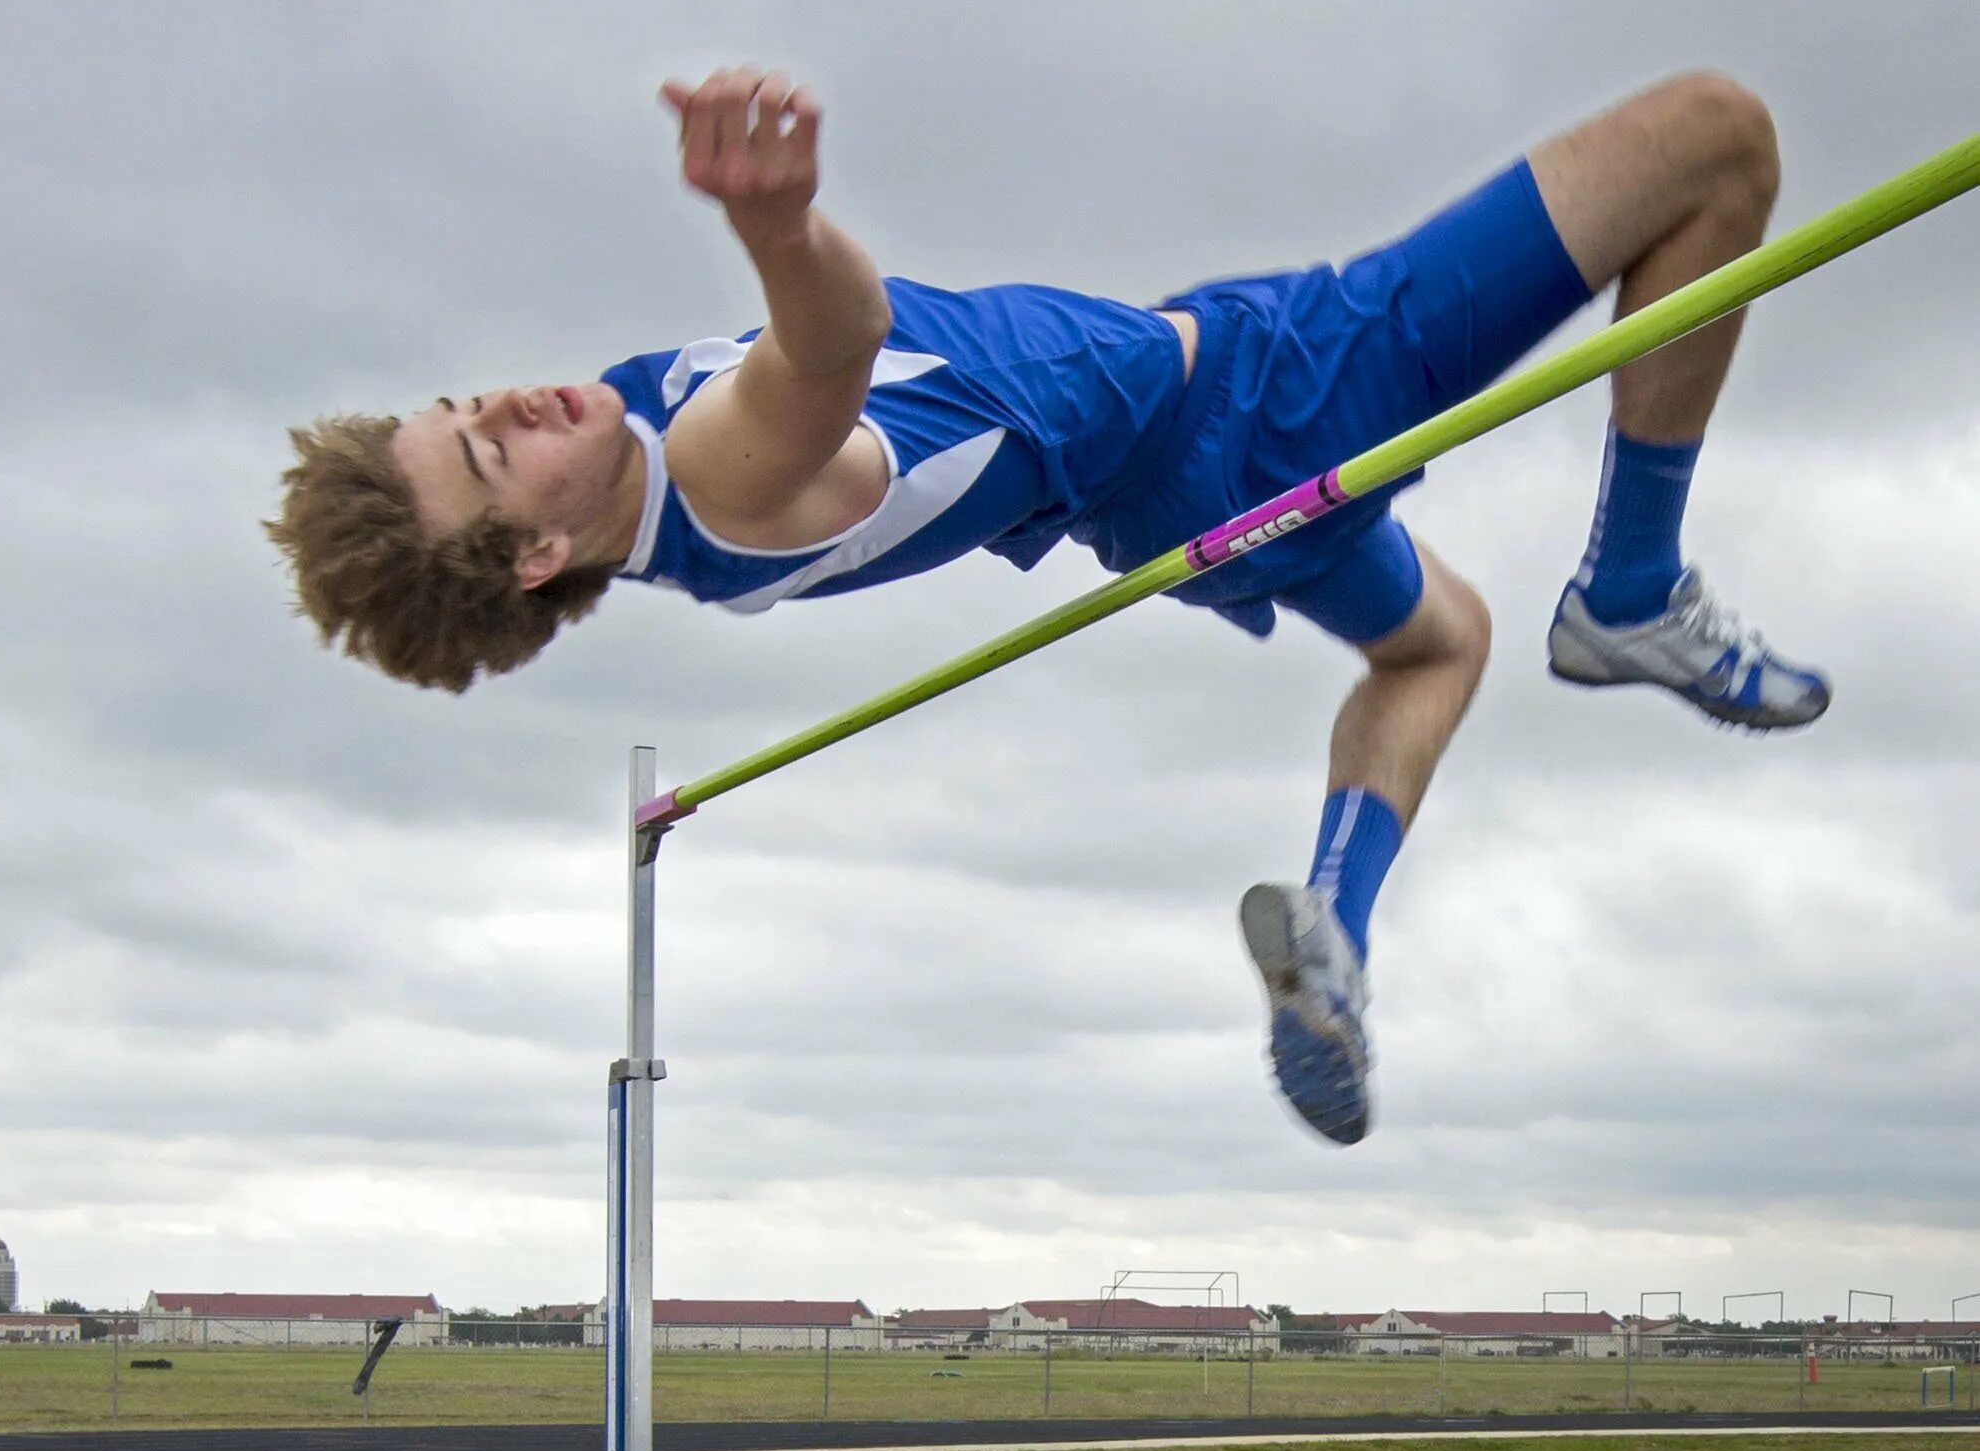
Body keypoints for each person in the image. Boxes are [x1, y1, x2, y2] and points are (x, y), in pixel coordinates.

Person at [264, 66, 1826, 1145]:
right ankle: (1631, 584)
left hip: (1175, 497)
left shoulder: (634, 474)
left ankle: (1335, 933)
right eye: (487, 450)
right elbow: (825, 355)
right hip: (1267, 401)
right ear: (534, 556)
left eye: (466, 401)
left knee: (1443, 638)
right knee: (1712, 139)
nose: (510, 403)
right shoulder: (721, 481)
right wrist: (775, 227)